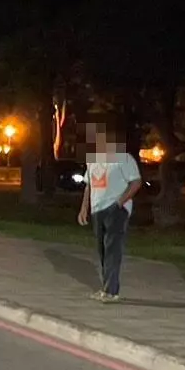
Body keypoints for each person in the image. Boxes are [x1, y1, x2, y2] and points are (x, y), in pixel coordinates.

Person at [77, 121, 143, 302]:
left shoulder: (123, 158)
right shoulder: (93, 159)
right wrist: (84, 208)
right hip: (97, 210)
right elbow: (89, 186)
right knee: (102, 250)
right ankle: (107, 287)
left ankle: (111, 291)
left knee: (112, 248)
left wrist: (120, 202)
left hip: (116, 210)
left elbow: (136, 182)